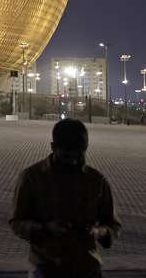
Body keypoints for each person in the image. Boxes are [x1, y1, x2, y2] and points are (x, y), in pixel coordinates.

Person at [10, 119, 121, 278]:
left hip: (87, 266)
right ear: (53, 147)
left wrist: (98, 232)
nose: (73, 161)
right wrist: (46, 228)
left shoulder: (97, 181)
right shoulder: (32, 178)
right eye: (67, 156)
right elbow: (16, 221)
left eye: (79, 155)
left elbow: (113, 224)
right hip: (46, 266)